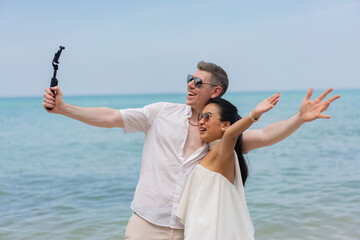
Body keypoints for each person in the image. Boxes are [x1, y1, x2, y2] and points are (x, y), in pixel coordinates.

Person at [42, 61, 340, 240]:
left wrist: (299, 118)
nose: (190, 84)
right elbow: (111, 117)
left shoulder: (221, 135)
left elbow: (263, 136)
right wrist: (65, 108)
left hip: (191, 231)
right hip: (147, 225)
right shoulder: (160, 113)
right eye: (189, 78)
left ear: (216, 91)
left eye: (198, 81)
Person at [176, 95, 280, 240]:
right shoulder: (212, 153)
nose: (201, 121)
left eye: (207, 117)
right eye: (200, 116)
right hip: (202, 230)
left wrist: (254, 115)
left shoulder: (222, 152)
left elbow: (231, 135)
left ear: (225, 125)